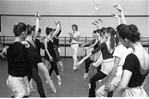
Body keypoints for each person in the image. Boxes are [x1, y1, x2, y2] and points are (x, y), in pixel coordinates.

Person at [77, 27, 117, 97]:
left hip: (106, 67)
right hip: (112, 65)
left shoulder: (104, 44)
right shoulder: (113, 43)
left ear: (107, 34)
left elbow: (93, 52)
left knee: (92, 80)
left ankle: (92, 96)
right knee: (109, 85)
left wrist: (82, 60)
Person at [113, 24, 149, 97]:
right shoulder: (147, 55)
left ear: (126, 40)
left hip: (130, 94)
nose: (121, 43)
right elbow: (142, 80)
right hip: (140, 93)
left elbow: (123, 86)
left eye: (120, 40)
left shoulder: (131, 58)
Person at [6, 22, 31, 98]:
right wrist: (28, 85)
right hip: (18, 82)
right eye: (26, 31)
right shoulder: (20, 48)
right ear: (23, 33)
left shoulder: (11, 47)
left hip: (11, 79)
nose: (27, 33)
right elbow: (21, 67)